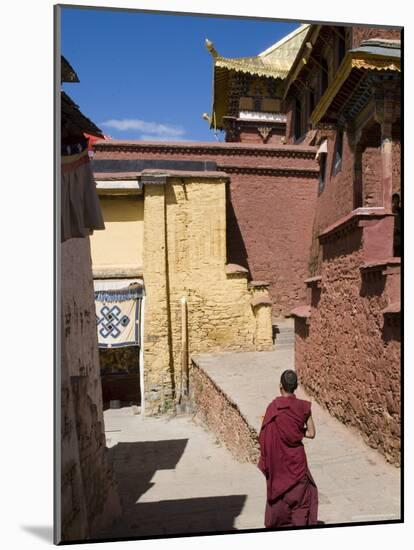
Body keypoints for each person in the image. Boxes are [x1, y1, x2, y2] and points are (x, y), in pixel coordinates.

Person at [258, 369, 318, 528]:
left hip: (279, 467)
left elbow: (264, 438)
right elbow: (312, 433)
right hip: (297, 465)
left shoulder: (273, 408)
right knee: (301, 507)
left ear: (280, 386)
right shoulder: (304, 407)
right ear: (296, 386)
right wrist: (299, 431)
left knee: (279, 509)